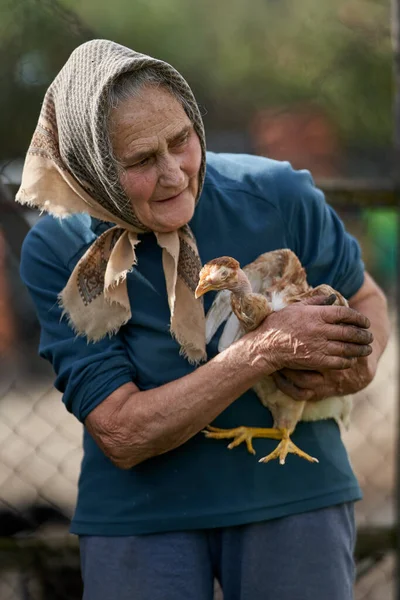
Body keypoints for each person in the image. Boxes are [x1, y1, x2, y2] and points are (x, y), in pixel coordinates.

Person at [18, 39, 389, 600]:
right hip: (139, 512)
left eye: (181, 141)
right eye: (142, 160)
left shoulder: (277, 194)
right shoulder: (60, 249)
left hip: (292, 488)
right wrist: (264, 351)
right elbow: (120, 432)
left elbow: (367, 302)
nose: (174, 174)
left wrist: (353, 370)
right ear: (92, 167)